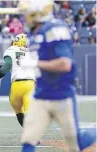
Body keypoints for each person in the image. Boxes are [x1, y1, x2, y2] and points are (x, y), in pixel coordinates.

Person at [17, 0, 96, 151]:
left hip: (62, 96)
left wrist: (35, 63)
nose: (24, 17)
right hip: (41, 94)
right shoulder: (34, 33)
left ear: (37, 12)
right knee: (28, 140)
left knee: (76, 143)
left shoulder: (55, 29)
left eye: (26, 13)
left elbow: (65, 64)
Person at [0, 33, 35, 128]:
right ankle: (33, 135)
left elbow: (6, 67)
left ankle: (28, 132)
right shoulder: (31, 52)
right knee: (31, 112)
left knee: (19, 112)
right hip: (30, 85)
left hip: (16, 86)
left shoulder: (10, 50)